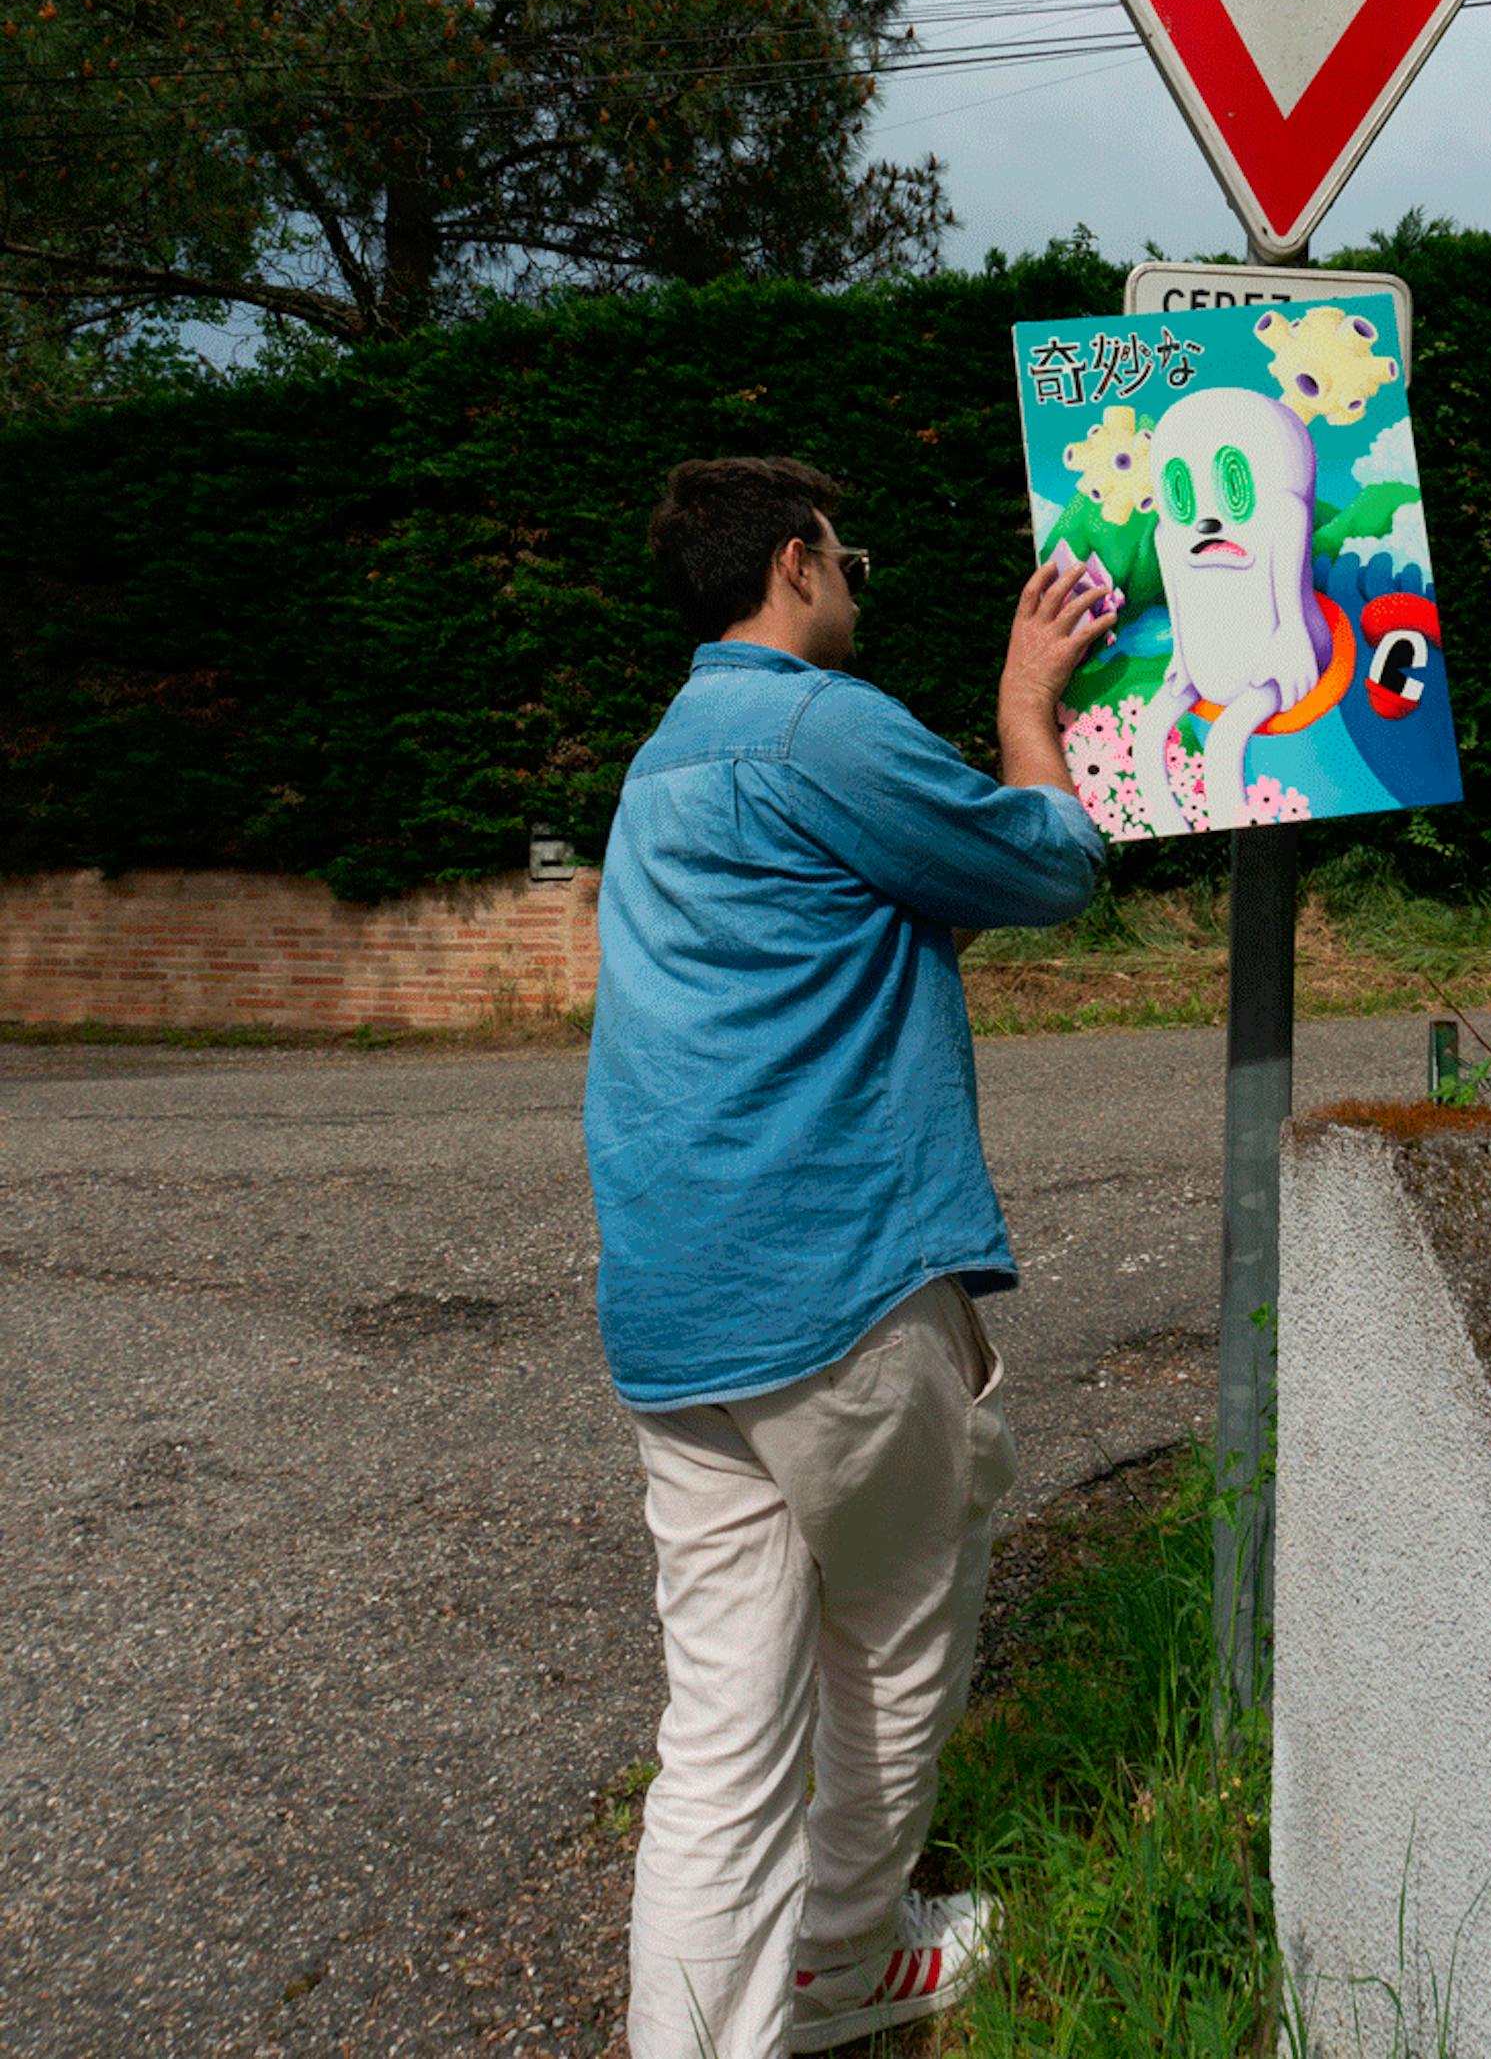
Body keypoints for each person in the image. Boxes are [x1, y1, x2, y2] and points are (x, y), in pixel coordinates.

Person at [584, 454, 1109, 2058]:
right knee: (894, 1627)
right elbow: (1051, 862)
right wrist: (1030, 694)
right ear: (801, 562)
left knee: (723, 1736)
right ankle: (847, 1959)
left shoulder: (665, 757)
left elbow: (842, 919)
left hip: (676, 1313)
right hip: (835, 1287)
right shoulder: (821, 724)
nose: (858, 588)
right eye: (853, 556)